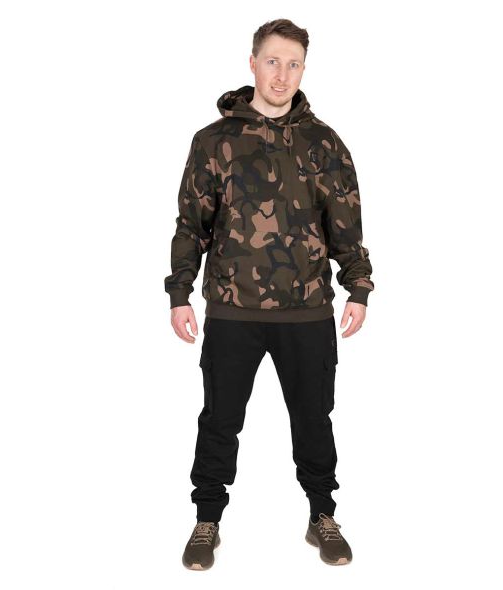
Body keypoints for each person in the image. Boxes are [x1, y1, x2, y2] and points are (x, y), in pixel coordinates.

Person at [164, 19, 374, 570]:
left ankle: (322, 514)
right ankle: (207, 518)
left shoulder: (324, 143)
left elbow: (345, 224)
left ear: (304, 69)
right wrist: (179, 292)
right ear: (253, 63)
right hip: (233, 310)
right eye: (273, 61)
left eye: (294, 64)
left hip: (307, 311)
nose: (283, 75)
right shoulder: (214, 141)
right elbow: (191, 224)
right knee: (220, 419)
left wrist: (358, 287)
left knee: (314, 418)